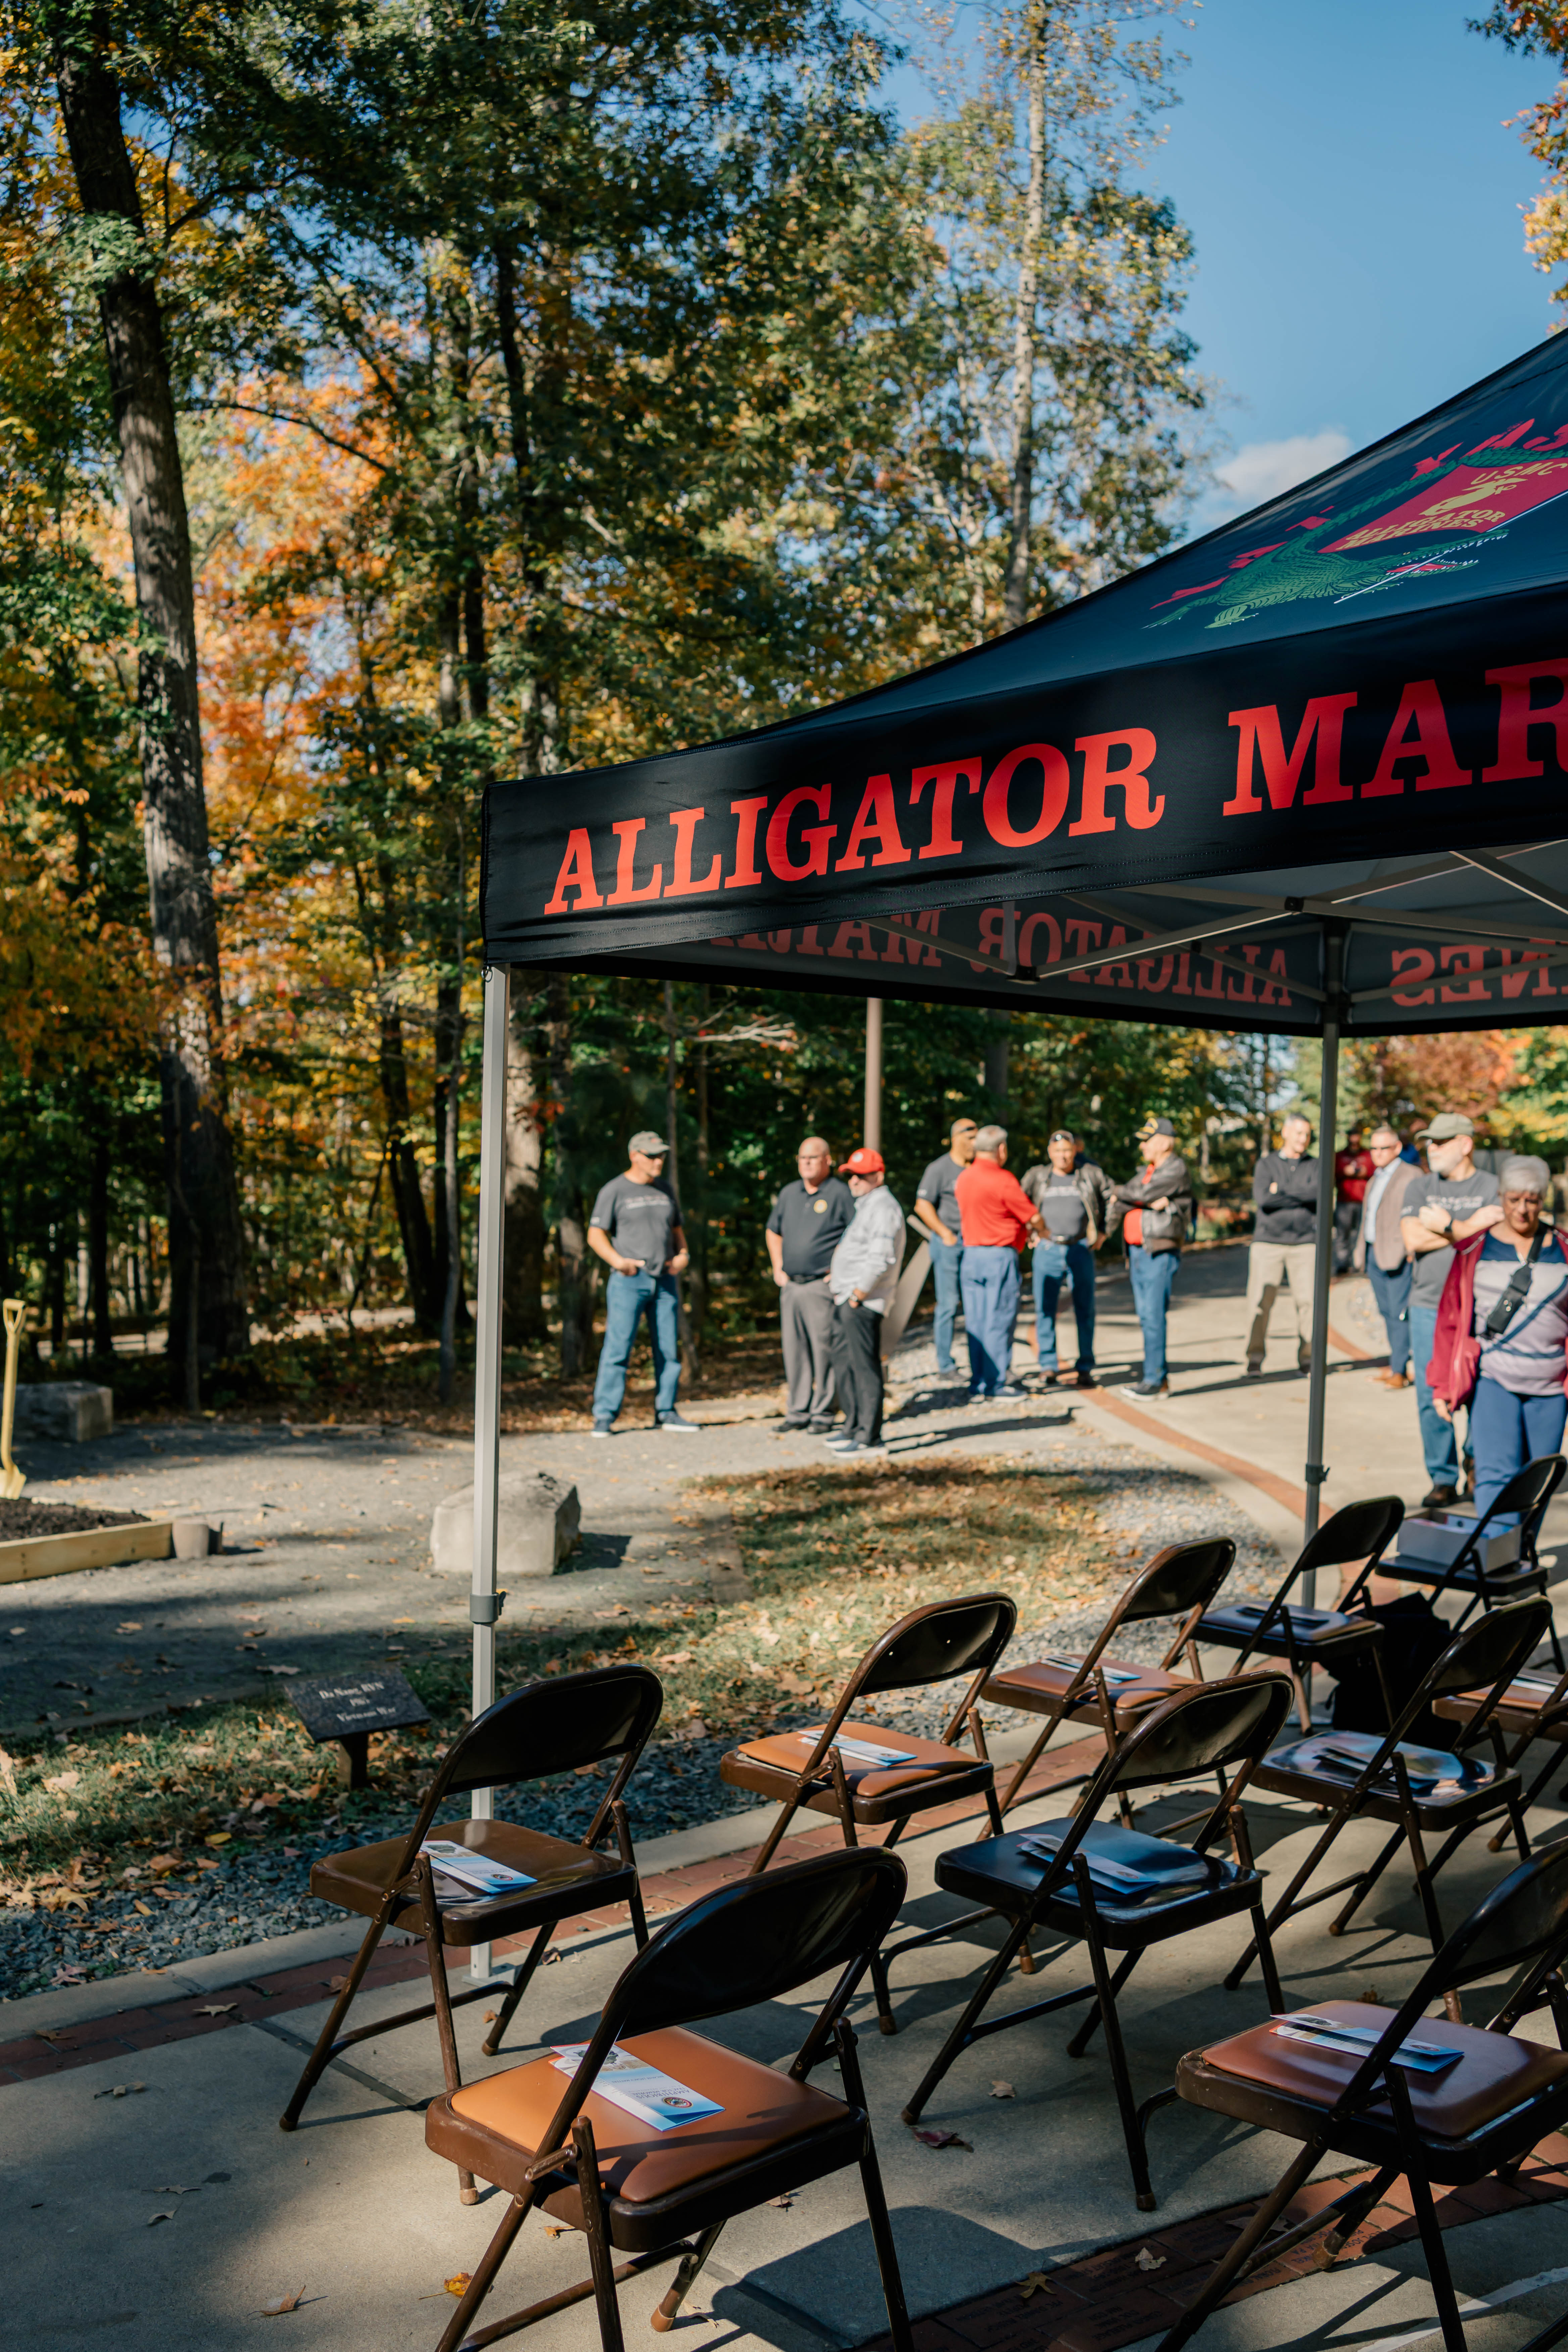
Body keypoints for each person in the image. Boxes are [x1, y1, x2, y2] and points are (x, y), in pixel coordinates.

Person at [1428, 1156, 1568, 1525]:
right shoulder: (1474, 1250)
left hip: (1551, 1389)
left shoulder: (1564, 1249)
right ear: (1501, 1197)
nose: (1523, 1210)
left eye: (1533, 1200)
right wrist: (1441, 1384)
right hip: (1494, 1381)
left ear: (1543, 1201)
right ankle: (1496, 1560)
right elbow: (1449, 1320)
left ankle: (1520, 1557)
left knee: (1538, 1482)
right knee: (1494, 1477)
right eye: (1514, 1199)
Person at [1401, 1112, 1501, 1508]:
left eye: (1441, 1141)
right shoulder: (1419, 1186)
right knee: (1430, 1393)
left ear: (1465, 1144)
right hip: (1427, 1302)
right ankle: (1442, 1477)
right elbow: (1411, 1237)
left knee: (1483, 1389)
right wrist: (1468, 1226)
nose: (1432, 1148)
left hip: (1481, 1305)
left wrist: (1443, 1226)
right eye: (1429, 1141)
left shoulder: (1493, 1186)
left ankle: (1477, 1464)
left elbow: (1497, 1233)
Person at [587, 1130, 697, 1436]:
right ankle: (605, 1416)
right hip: (629, 1282)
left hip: (665, 1283)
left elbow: (677, 1232)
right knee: (618, 1349)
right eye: (652, 1156)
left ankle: (667, 1412)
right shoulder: (615, 1190)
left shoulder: (666, 1190)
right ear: (634, 1155)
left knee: (668, 1351)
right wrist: (618, 1262)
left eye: (661, 1155)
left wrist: (684, 1255)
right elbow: (595, 1235)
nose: (659, 1161)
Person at [765, 1137, 855, 1432]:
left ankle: (824, 1412)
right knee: (794, 1351)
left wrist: (839, 1269)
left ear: (827, 1160)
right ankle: (798, 1412)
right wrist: (778, 1266)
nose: (806, 1163)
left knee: (824, 1349)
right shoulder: (790, 1193)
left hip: (821, 1286)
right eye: (802, 1158)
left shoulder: (840, 1193)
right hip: (791, 1285)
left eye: (813, 1158)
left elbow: (855, 1233)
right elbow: (773, 1231)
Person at [825, 1146, 906, 1458]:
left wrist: (858, 1294)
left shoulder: (884, 1207)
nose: (855, 1181)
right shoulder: (868, 1205)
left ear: (878, 1176)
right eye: (851, 1175)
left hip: (863, 1300)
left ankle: (870, 1437)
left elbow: (880, 1257)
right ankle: (854, 1427)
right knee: (847, 1365)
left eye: (862, 1176)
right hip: (850, 1296)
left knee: (865, 1367)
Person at [954, 1125, 1042, 1400]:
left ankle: (978, 1383)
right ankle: (997, 1383)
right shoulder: (1004, 1180)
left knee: (976, 1322)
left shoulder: (964, 1178)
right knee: (999, 1320)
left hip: (971, 1256)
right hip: (998, 1256)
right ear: (1001, 1150)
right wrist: (1042, 1229)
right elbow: (1032, 1217)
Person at [1109, 1117, 1192, 1399]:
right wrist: (1135, 1198)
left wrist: (1126, 1194)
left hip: (1159, 1251)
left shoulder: (1175, 1168)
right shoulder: (1149, 1170)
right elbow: (1134, 1198)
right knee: (1146, 1316)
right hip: (1139, 1251)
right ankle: (1158, 1376)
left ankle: (1154, 1381)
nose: (1142, 1146)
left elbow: (1137, 1194)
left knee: (1153, 1315)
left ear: (1164, 1142)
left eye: (1147, 1140)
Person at [1020, 1128, 1109, 1389]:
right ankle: (1048, 1366)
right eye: (1058, 1151)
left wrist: (1103, 1232)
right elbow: (1018, 1203)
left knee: (1085, 1310)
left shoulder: (1089, 1175)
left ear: (1075, 1151)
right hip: (1047, 1250)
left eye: (1067, 1151)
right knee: (1045, 1310)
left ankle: (1085, 1367)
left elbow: (1111, 1199)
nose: (1063, 1156)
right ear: (1050, 1153)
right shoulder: (1037, 1177)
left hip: (1080, 1248)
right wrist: (1027, 1232)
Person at [1244, 1112, 1320, 1377]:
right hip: (1268, 1244)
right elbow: (1264, 1201)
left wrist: (1282, 1193)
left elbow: (1319, 1196)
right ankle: (1254, 1358)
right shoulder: (1267, 1165)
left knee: (1309, 1303)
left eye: (1308, 1134)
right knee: (1260, 1303)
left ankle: (1309, 1359)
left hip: (1306, 1245)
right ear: (1285, 1133)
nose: (1304, 1139)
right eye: (1299, 1133)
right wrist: (1300, 1195)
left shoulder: (1316, 1165)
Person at [914, 1118, 978, 1381]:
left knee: (976, 1306)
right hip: (949, 1244)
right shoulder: (939, 1168)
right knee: (948, 1305)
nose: (975, 1144)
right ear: (956, 1138)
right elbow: (922, 1205)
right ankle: (945, 1365)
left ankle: (981, 1365)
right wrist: (945, 1233)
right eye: (970, 1138)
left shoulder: (977, 1169)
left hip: (975, 1244)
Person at [1356, 1125, 1418, 1389]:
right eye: (1374, 1148)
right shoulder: (1376, 1178)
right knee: (1386, 1311)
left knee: (1399, 1312)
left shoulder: (1411, 1175)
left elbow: (1417, 1215)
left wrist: (1411, 1249)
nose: (1378, 1153)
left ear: (1397, 1149)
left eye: (1384, 1148)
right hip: (1374, 1251)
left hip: (1398, 1255)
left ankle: (1400, 1370)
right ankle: (1396, 1364)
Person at [1333, 1125, 1372, 1276]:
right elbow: (1333, 1173)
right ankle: (1343, 1264)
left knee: (1360, 1234)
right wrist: (1345, 1172)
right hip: (1345, 1201)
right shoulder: (1340, 1156)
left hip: (1363, 1201)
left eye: (1357, 1135)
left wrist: (1364, 1172)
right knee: (1343, 1234)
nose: (1355, 1139)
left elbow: (1374, 1171)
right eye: (1352, 1135)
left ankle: (1359, 1264)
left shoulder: (1368, 1155)